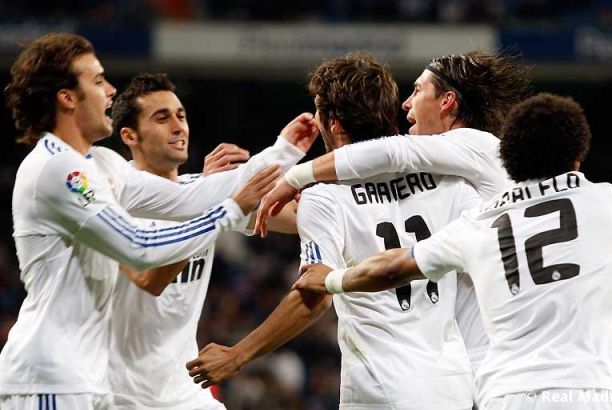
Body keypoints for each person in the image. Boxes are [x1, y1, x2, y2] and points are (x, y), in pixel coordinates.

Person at [0, 33, 314, 409]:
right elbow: (139, 246)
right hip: (51, 379)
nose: (110, 90)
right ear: (67, 98)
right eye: (97, 80)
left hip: (88, 380)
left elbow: (188, 196)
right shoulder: (58, 167)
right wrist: (230, 209)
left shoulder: (103, 164)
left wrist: (283, 150)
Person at [294, 93, 612, 410]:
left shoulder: (479, 224)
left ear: (509, 160)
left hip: (508, 395)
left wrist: (332, 280)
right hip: (593, 392)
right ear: (577, 156)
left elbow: (390, 268)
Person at [187, 52, 485, 409]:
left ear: (335, 124)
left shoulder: (326, 196)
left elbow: (314, 296)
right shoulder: (449, 180)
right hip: (452, 385)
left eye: (318, 110)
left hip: (380, 387)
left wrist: (238, 354)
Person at [256, 51, 531, 378]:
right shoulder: (449, 180)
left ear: (447, 101)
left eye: (417, 91)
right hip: (463, 366)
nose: (406, 103)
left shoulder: (477, 145)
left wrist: (294, 176)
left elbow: (393, 151)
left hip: (491, 358)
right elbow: (308, 214)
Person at [107, 72, 298, 410]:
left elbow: (296, 218)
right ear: (129, 135)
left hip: (184, 391)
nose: (178, 127)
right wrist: (213, 206)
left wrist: (314, 180)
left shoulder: (205, 191)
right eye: (162, 118)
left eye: (180, 116)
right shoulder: (112, 198)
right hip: (121, 394)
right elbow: (150, 282)